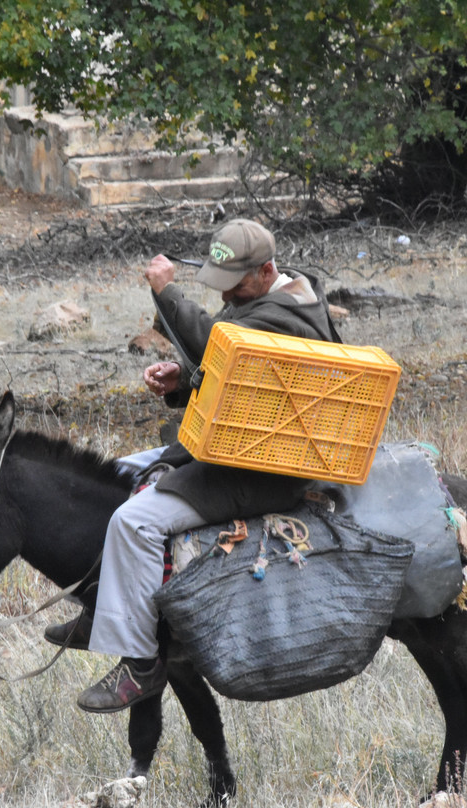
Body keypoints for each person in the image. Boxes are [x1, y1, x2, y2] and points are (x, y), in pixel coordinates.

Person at [46, 218, 342, 713]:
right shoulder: (275, 299)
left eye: (235, 286)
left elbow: (219, 340)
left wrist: (167, 293)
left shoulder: (288, 316)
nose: (226, 297)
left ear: (267, 270)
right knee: (110, 479)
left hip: (262, 470)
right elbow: (239, 374)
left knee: (133, 521)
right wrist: (182, 380)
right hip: (237, 447)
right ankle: (104, 610)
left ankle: (141, 663)